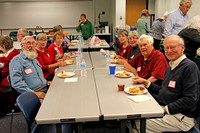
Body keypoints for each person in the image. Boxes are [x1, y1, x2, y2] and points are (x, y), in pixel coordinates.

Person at [132, 35, 200, 132]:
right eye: (166, 48)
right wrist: (146, 83)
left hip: (180, 118)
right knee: (136, 112)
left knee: (138, 123)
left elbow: (190, 99)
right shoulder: (171, 66)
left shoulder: (189, 67)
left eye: (172, 47)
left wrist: (165, 109)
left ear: (183, 48)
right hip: (166, 109)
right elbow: (164, 90)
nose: (169, 51)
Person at [0, 36, 20, 116]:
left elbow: (4, 73)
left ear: (4, 46)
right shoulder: (15, 51)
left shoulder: (9, 57)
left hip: (11, 80)